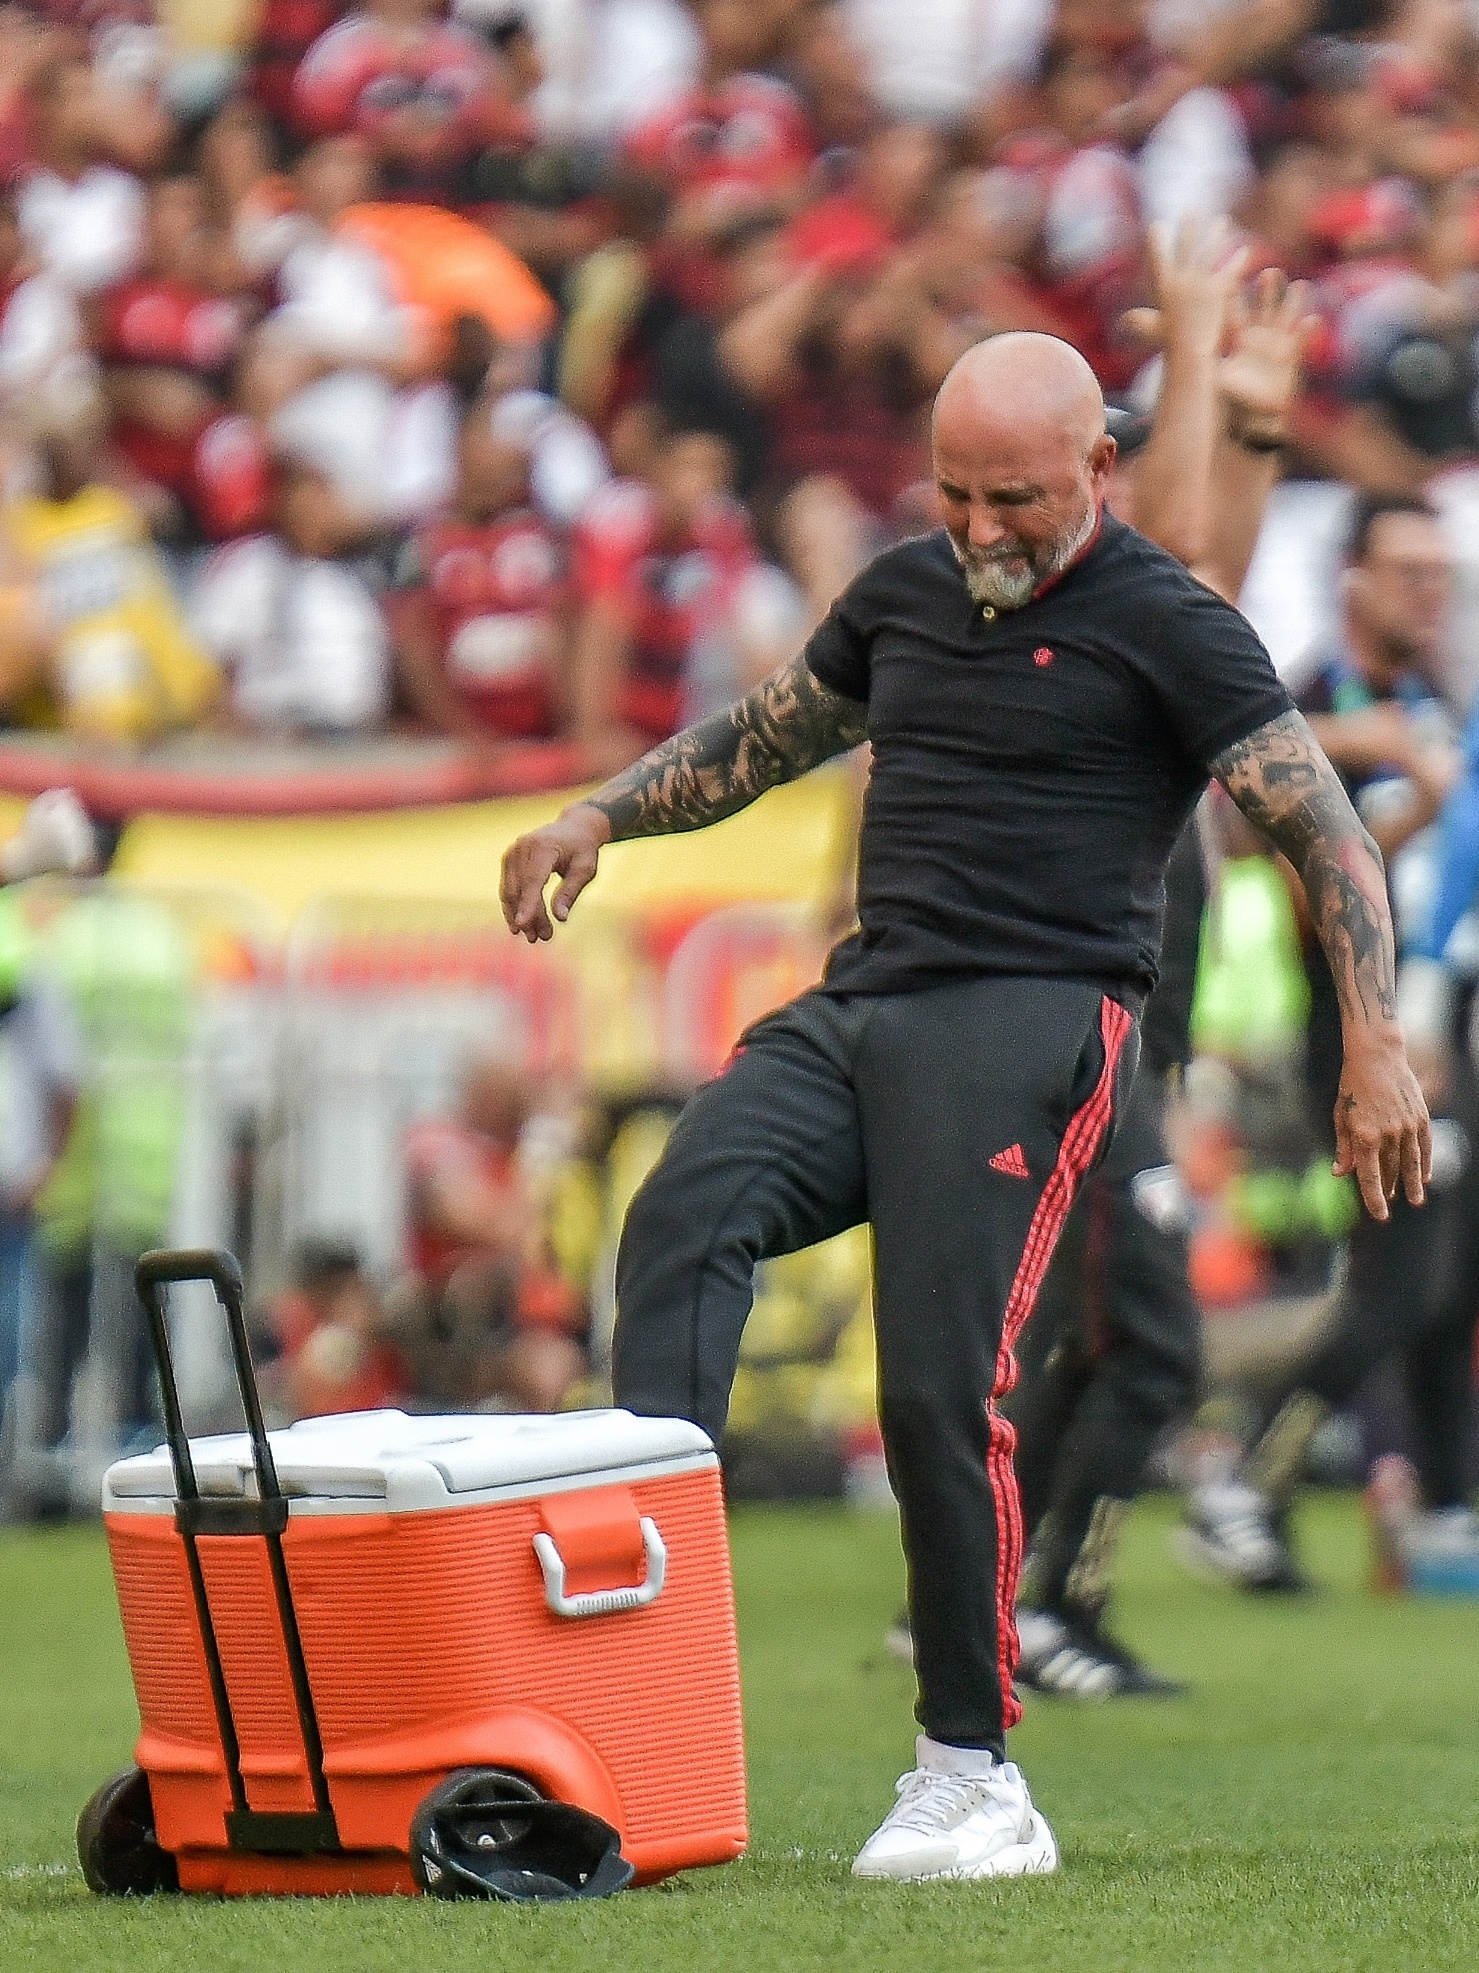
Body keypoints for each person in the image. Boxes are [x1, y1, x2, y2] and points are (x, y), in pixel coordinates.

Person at [501, 329, 1430, 1881]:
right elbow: (768, 732)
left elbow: (1317, 827)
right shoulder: (901, 590)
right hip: (866, 1001)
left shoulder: (1167, 622)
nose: (982, 527)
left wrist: (1372, 1043)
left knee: (935, 1386)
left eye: (1015, 496)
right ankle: (634, 1660)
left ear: (1096, 472)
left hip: (1033, 1015)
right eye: (954, 494)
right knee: (683, 1206)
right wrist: (601, 812)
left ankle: (970, 1776)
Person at [1183, 491, 1479, 1593]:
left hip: (1445, 1030)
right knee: (1402, 1277)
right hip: (1356, 1035)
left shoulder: (1431, 704)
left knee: (1453, 1274)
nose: (1429, 591)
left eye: (1439, 572)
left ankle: (1447, 1504)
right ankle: (1241, 1480)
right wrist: (1412, 812)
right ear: (1350, 577)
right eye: (1408, 570)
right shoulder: (1307, 707)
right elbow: (1306, 890)